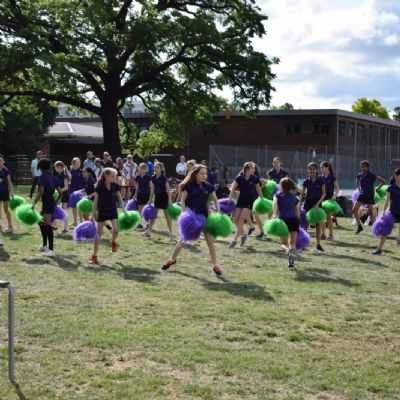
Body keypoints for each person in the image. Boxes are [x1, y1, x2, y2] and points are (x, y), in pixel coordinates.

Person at [161, 164, 223, 276]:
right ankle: (172, 260)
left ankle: (215, 265)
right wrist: (185, 213)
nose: (204, 176)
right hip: (191, 217)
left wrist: (218, 212)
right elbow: (183, 200)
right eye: (202, 173)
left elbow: (216, 200)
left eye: (205, 173)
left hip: (204, 216)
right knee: (183, 241)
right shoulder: (189, 186)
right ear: (195, 174)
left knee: (209, 241)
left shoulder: (208, 186)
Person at [90, 168, 125, 264]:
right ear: (106, 176)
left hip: (113, 210)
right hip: (102, 212)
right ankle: (94, 256)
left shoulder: (115, 186)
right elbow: (95, 201)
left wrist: (123, 208)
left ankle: (113, 241)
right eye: (112, 176)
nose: (114, 178)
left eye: (115, 176)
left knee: (116, 230)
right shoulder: (99, 186)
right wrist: (93, 214)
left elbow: (119, 197)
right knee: (98, 235)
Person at [227, 161, 263, 248]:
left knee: (241, 219)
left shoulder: (254, 178)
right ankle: (243, 236)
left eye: (254, 168)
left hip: (250, 201)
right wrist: (230, 198)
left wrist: (262, 198)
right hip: (241, 200)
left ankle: (234, 240)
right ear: (247, 169)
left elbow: (258, 189)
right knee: (235, 219)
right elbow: (232, 189)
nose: (254, 170)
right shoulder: (239, 178)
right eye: (252, 168)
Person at [273, 178, 300, 269]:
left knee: (284, 244)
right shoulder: (294, 197)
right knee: (292, 242)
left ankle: (288, 251)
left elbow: (275, 204)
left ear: (283, 186)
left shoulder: (278, 195)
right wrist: (298, 221)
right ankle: (291, 263)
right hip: (294, 220)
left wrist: (274, 215)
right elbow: (297, 211)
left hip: (283, 221)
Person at [352, 160, 385, 235]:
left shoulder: (372, 175)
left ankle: (375, 229)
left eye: (364, 167)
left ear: (368, 167)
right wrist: (359, 188)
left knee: (370, 212)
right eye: (361, 167)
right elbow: (357, 179)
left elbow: (383, 181)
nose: (362, 168)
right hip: (362, 195)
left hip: (370, 195)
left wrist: (378, 188)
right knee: (354, 210)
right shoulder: (360, 175)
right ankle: (359, 227)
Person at [32, 158, 57, 257]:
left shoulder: (42, 177)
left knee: (47, 225)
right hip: (49, 201)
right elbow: (59, 191)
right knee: (40, 222)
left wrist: (34, 203)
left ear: (40, 168)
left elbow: (41, 192)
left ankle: (51, 250)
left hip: (47, 201)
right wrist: (56, 201)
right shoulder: (52, 176)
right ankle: (44, 245)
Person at [372, 168, 400, 254]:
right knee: (384, 230)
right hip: (393, 212)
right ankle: (379, 249)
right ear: (395, 176)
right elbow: (387, 201)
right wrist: (383, 213)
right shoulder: (391, 187)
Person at [299, 162, 326, 251]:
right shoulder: (306, 181)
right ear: (308, 170)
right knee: (305, 224)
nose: (312, 171)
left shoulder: (321, 180)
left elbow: (324, 193)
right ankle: (303, 243)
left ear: (316, 170)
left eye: (313, 169)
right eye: (310, 169)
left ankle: (318, 244)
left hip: (317, 203)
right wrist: (299, 204)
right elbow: (302, 193)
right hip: (308, 203)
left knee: (318, 224)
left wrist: (318, 203)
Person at [145, 162, 174, 240]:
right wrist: (150, 200)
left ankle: (171, 234)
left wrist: (170, 200)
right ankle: (148, 231)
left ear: (161, 169)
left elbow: (168, 189)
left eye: (157, 167)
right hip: (157, 198)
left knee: (167, 217)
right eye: (155, 167)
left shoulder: (164, 178)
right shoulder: (153, 178)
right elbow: (152, 190)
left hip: (164, 198)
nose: (155, 169)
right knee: (153, 216)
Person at [320, 161, 340, 240]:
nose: (321, 169)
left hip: (329, 200)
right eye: (321, 168)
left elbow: (337, 188)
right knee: (321, 218)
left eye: (323, 167)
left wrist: (334, 195)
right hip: (321, 199)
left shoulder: (332, 177)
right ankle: (323, 234)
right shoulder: (320, 177)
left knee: (328, 218)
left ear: (327, 167)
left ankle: (331, 235)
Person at [53, 161, 70, 233]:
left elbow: (66, 187)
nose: (55, 169)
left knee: (64, 211)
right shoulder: (58, 175)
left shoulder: (64, 175)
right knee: (55, 209)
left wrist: (59, 191)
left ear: (60, 167)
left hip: (64, 194)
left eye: (55, 167)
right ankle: (54, 225)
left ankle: (66, 228)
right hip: (60, 194)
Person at [133, 163, 151, 227]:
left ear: (145, 169)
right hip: (140, 194)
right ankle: (138, 223)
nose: (141, 170)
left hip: (146, 194)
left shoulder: (148, 177)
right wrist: (135, 194)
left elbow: (151, 186)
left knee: (146, 209)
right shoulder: (138, 177)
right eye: (140, 168)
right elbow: (137, 186)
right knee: (139, 209)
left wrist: (152, 195)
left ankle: (148, 223)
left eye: (143, 169)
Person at [0, 154, 14, 233]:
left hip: (5, 192)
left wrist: (11, 192)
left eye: (1, 161)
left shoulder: (6, 170)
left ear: (3, 162)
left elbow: (9, 182)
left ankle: (10, 226)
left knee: (5, 209)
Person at [69, 157, 84, 226]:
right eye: (77, 162)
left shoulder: (82, 171)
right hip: (72, 191)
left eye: (79, 162)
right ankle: (75, 222)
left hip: (80, 191)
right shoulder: (70, 171)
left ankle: (81, 221)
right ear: (73, 163)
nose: (78, 163)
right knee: (74, 207)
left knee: (80, 207)